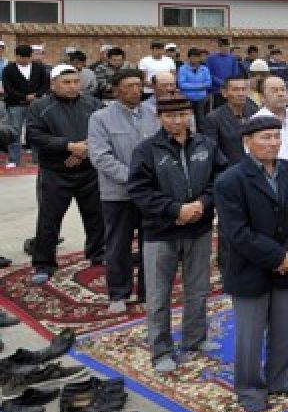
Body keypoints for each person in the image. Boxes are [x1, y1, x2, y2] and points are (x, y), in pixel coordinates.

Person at [216, 116, 288, 412]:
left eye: (276, 136)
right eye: (265, 137)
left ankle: (280, 377)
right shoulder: (231, 180)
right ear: (247, 142)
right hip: (251, 268)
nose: (273, 143)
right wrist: (276, 256)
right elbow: (237, 232)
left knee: (285, 327)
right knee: (250, 334)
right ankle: (249, 388)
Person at [126, 95, 223, 373]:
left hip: (199, 229)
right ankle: (161, 350)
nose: (177, 121)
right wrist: (174, 209)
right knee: (158, 296)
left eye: (182, 115)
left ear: (190, 115)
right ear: (159, 118)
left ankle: (195, 339)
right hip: (160, 233)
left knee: (198, 289)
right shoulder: (146, 150)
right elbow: (139, 190)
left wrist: (202, 204)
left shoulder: (206, 145)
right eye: (170, 116)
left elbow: (220, 178)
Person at [88, 67, 158, 312]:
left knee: (152, 244)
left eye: (138, 85)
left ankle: (149, 294)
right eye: (128, 86)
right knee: (119, 245)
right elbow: (100, 157)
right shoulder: (101, 118)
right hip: (118, 193)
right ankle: (118, 294)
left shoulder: (152, 114)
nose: (134, 91)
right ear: (117, 90)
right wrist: (133, 179)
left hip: (151, 194)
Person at [27, 65, 106, 283]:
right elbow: (35, 135)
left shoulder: (92, 103)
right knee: (48, 220)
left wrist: (84, 150)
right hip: (55, 172)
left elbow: (104, 129)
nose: (73, 87)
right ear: (54, 84)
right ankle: (44, 264)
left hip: (89, 171)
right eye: (67, 82)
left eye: (75, 82)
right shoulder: (40, 107)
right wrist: (68, 146)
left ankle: (99, 254)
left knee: (96, 216)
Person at [3, 44, 51, 167]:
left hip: (35, 104)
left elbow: (45, 84)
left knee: (36, 130)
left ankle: (38, 158)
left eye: (27, 58)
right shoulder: (9, 69)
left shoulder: (38, 68)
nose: (25, 60)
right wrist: (24, 96)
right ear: (17, 56)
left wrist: (37, 95)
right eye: (22, 58)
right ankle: (14, 159)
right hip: (15, 105)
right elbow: (8, 88)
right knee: (15, 132)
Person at [201, 77, 259, 164]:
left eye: (243, 89)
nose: (241, 94)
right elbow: (213, 149)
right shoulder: (213, 118)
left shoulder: (255, 112)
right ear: (224, 93)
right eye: (235, 90)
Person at [250, 75, 288, 160]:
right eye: (274, 91)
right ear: (262, 97)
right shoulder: (255, 122)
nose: (280, 94)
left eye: (283, 89)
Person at [177, 48, 212, 116]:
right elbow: (181, 84)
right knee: (188, 119)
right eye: (192, 57)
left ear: (199, 58)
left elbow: (208, 83)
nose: (194, 59)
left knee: (201, 118)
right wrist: (200, 86)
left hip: (201, 98)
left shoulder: (204, 69)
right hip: (187, 98)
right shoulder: (183, 69)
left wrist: (190, 85)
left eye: (196, 57)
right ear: (188, 58)